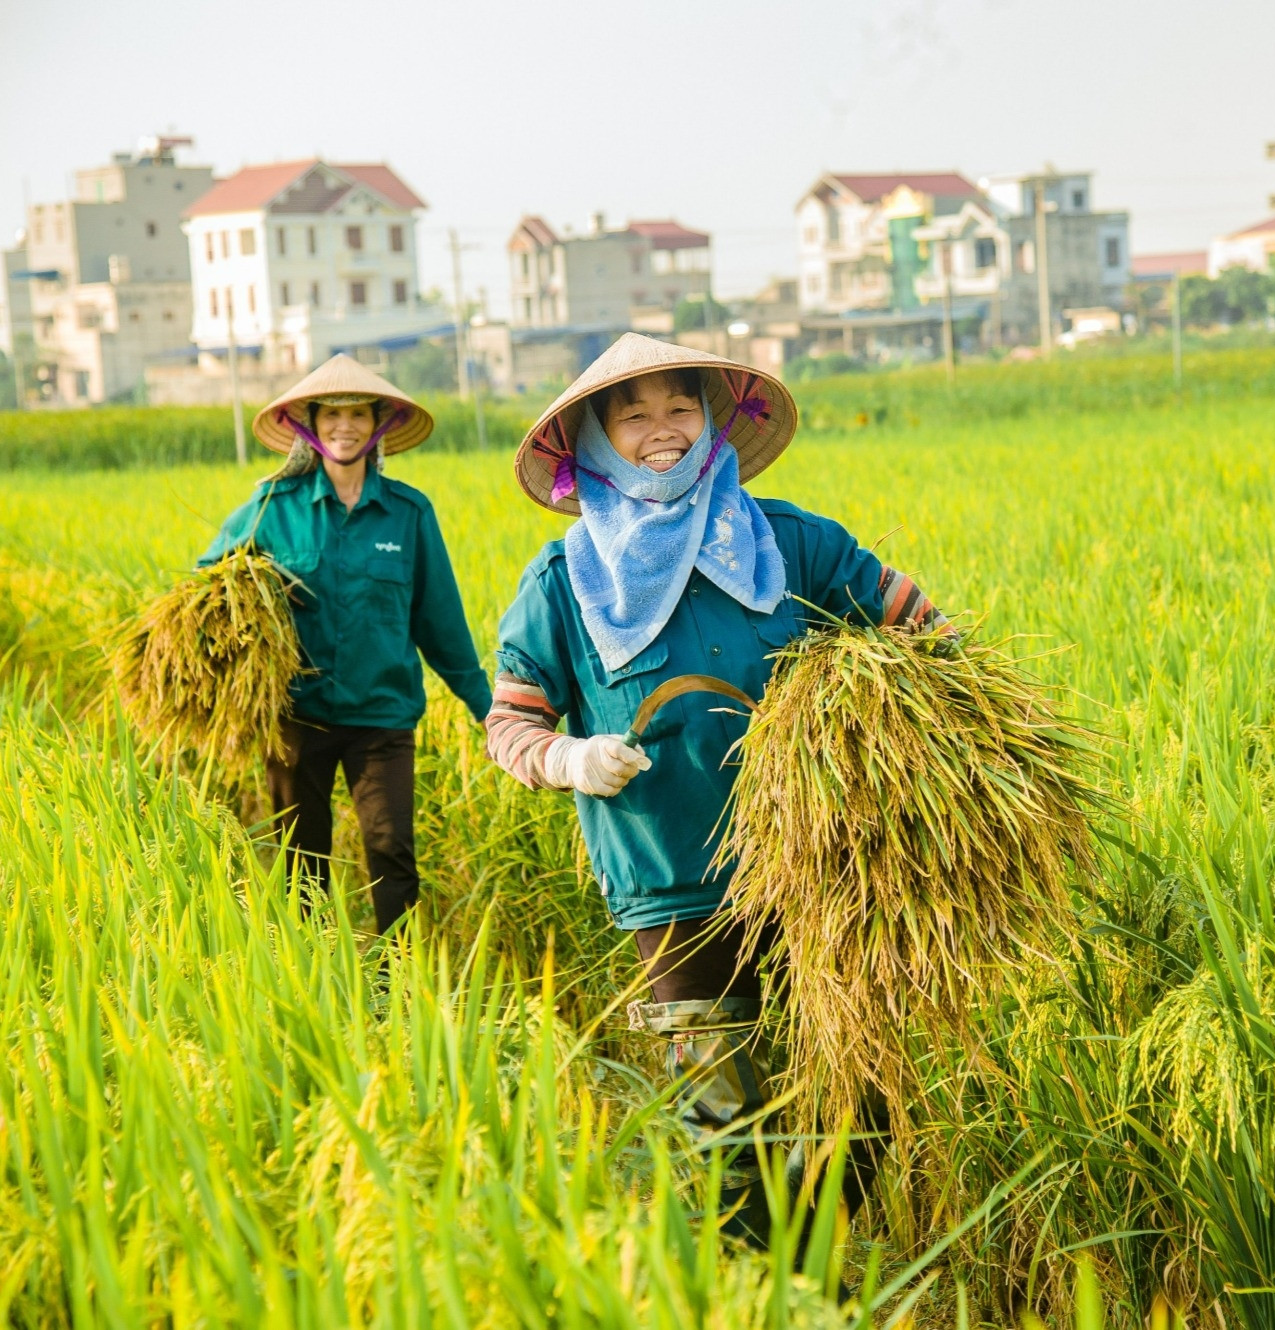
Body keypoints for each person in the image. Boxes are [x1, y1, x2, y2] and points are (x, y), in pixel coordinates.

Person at [484, 333, 948, 1244]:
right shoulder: (564, 583)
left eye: (680, 408)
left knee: (866, 1098)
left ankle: (808, 1257)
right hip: (673, 888)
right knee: (719, 1126)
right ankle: (759, 1278)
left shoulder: (789, 543)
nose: (661, 431)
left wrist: (933, 722)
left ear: (711, 421)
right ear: (594, 441)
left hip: (821, 872)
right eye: (634, 415)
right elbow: (510, 725)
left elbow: (919, 628)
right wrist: (571, 758)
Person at [200, 354, 491, 936]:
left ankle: (397, 981)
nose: (344, 426)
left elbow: (441, 622)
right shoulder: (269, 508)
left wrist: (490, 709)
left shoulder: (408, 513)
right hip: (295, 718)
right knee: (300, 859)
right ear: (308, 426)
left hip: (382, 717)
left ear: (378, 424)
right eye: (330, 415)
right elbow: (208, 586)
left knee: (390, 850)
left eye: (357, 413)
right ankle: (313, 974)